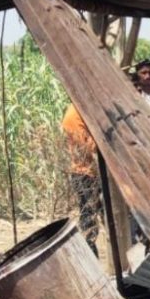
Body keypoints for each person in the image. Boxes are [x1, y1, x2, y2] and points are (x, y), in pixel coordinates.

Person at [61, 103, 102, 255]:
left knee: (93, 215)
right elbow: (90, 147)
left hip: (91, 172)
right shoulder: (73, 115)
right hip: (86, 173)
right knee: (89, 217)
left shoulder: (83, 110)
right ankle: (89, 253)